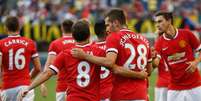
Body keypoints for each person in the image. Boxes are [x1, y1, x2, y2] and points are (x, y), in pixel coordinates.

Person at [71, 8, 153, 101]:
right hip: (141, 94)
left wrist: (85, 56)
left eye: (107, 25)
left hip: (122, 93)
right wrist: (139, 74)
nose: (106, 29)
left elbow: (110, 63)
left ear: (116, 23)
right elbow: (149, 71)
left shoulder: (114, 37)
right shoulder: (144, 39)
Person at [17, 20, 104, 101]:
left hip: (73, 97)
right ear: (89, 35)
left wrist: (29, 88)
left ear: (73, 36)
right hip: (93, 98)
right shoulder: (99, 51)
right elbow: (111, 66)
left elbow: (47, 73)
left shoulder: (65, 54)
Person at [153, 11, 201, 101]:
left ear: (169, 21)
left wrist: (196, 62)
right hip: (175, 87)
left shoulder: (186, 34)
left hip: (195, 84)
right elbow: (155, 63)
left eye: (160, 21)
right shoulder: (159, 42)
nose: (157, 25)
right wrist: (152, 58)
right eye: (156, 22)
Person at [0, 16, 41, 101]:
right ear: (19, 27)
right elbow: (38, 68)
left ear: (6, 28)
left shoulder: (1, 43)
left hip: (7, 87)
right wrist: (28, 77)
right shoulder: (30, 43)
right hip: (25, 86)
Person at [40, 19, 74, 101]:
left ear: (62, 28)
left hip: (62, 86)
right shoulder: (79, 42)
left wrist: (43, 84)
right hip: (77, 87)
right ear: (73, 28)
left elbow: (49, 64)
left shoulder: (55, 44)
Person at [94, 20, 113, 101]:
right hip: (112, 93)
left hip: (95, 94)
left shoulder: (90, 49)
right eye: (108, 26)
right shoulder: (113, 48)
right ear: (106, 31)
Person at [152, 29, 170, 101]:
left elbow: (152, 67)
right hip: (174, 84)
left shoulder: (156, 49)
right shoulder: (173, 46)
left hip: (162, 84)